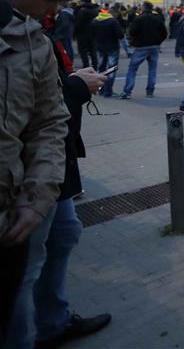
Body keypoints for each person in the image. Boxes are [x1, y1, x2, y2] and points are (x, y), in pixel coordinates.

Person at [8, 18, 111, 348]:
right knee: (25, 263)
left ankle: (53, 321)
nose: (57, 9)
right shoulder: (16, 41)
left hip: (54, 166)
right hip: (25, 174)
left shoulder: (39, 35)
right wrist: (76, 87)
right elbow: (29, 108)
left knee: (65, 234)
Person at [0, 0, 77, 343]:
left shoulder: (34, 41)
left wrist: (37, 195)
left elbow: (49, 121)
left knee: (17, 298)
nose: (54, 9)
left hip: (15, 202)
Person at [120, 3, 168, 100]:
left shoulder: (139, 19)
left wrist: (133, 42)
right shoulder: (157, 18)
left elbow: (132, 31)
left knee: (132, 69)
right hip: (154, 46)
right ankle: (150, 91)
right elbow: (164, 33)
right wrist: (158, 42)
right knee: (152, 69)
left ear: (143, 8)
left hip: (141, 47)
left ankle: (127, 91)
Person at [90, 7, 124, 97]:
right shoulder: (113, 21)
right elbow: (120, 35)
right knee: (111, 69)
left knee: (101, 68)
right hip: (112, 47)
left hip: (100, 47)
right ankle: (108, 91)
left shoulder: (95, 21)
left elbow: (92, 34)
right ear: (114, 13)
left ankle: (100, 89)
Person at [72, 0, 99, 70]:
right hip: (93, 33)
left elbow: (78, 23)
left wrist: (74, 33)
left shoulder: (82, 10)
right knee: (93, 51)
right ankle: (95, 67)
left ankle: (86, 66)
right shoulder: (95, 9)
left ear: (84, 2)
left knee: (82, 51)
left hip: (82, 33)